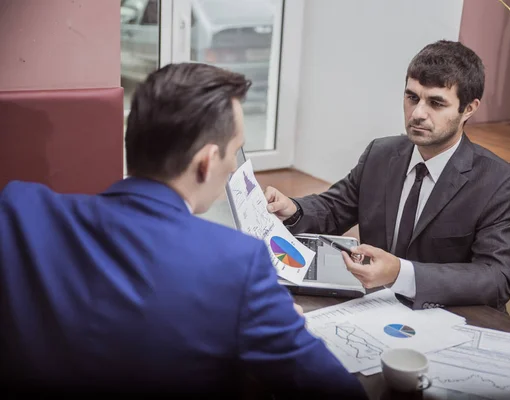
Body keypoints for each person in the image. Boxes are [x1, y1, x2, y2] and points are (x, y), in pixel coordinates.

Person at [0, 62, 367, 399]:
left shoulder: (18, 210)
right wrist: (283, 324)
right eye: (234, 151)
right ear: (206, 163)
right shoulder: (237, 264)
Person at [265, 40, 510, 313]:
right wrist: (293, 209)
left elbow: (497, 278)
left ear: (469, 109)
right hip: (372, 308)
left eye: (436, 103)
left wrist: (401, 273)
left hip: (446, 318)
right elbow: (334, 208)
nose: (417, 114)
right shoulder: (381, 153)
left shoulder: (499, 182)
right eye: (412, 97)